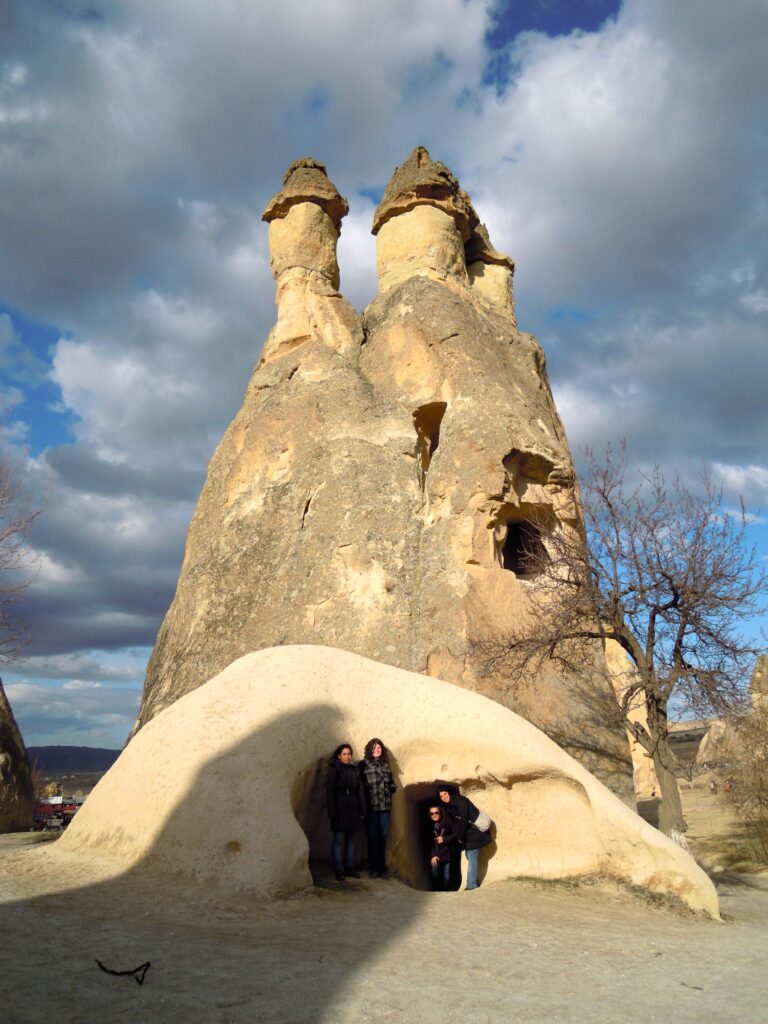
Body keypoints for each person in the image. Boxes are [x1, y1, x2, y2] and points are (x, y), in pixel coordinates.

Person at [437, 783, 492, 891]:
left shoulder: (460, 801)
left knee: (471, 856)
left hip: (475, 833)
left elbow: (464, 820)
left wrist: (460, 838)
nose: (444, 797)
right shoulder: (450, 806)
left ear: (449, 793)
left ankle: (471, 885)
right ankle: (473, 880)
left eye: (445, 794)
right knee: (469, 856)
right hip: (469, 835)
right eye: (441, 796)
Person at [326, 743, 366, 881]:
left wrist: (362, 809)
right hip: (339, 810)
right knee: (338, 841)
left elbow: (359, 791)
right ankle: (339, 870)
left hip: (352, 810)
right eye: (344, 754)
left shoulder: (354, 770)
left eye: (349, 754)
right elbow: (330, 793)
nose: (347, 756)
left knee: (351, 841)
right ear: (339, 756)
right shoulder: (334, 770)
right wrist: (332, 812)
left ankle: (349, 868)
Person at [358, 737, 397, 878]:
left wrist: (392, 787)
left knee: (382, 838)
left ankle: (381, 868)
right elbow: (360, 786)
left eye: (379, 748)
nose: (376, 750)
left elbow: (391, 781)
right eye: (374, 748)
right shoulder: (363, 765)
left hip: (385, 807)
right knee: (373, 838)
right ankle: (374, 868)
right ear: (370, 750)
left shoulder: (385, 764)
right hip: (372, 808)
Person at [428, 804, 457, 891]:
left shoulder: (447, 822)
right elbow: (428, 842)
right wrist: (433, 855)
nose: (434, 815)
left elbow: (456, 834)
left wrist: (444, 839)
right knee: (435, 876)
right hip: (436, 854)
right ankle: (437, 892)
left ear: (440, 813)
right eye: (432, 813)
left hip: (447, 854)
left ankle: (445, 894)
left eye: (436, 812)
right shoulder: (429, 826)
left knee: (446, 878)